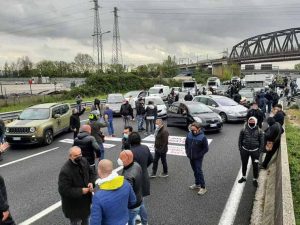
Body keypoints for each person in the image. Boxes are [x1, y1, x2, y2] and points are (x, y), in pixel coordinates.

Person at [90, 159, 136, 225]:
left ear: (99, 171)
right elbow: (133, 201)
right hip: (124, 221)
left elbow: (95, 222)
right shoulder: (125, 183)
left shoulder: (98, 196)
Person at [58, 146, 94, 225]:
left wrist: (91, 182)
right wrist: (81, 191)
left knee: (86, 220)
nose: (79, 157)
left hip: (86, 203)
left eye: (80, 154)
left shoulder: (84, 161)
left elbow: (91, 172)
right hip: (74, 206)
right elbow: (63, 190)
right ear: (70, 156)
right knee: (75, 222)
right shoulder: (65, 171)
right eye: (76, 156)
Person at [129, 132, 153, 225]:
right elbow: (151, 159)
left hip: (134, 179)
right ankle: (142, 220)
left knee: (137, 202)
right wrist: (144, 167)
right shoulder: (145, 147)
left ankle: (142, 220)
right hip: (144, 175)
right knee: (141, 200)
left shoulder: (130, 151)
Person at [118, 150, 143, 225]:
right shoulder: (136, 164)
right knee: (135, 213)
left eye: (121, 158)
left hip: (132, 205)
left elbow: (127, 194)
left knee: (130, 221)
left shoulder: (128, 176)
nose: (119, 159)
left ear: (127, 159)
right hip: (139, 196)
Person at [238, 117, 264, 187]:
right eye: (250, 121)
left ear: (255, 122)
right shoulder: (243, 129)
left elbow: (262, 143)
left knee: (255, 166)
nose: (251, 122)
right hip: (244, 151)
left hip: (255, 152)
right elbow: (240, 140)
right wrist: (241, 149)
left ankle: (255, 179)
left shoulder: (259, 131)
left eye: (253, 121)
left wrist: (259, 152)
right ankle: (243, 177)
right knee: (244, 164)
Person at [185, 122, 209, 195]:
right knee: (195, 170)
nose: (193, 131)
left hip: (198, 158)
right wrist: (187, 152)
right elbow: (186, 144)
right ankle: (197, 184)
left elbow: (206, 149)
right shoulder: (189, 134)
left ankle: (203, 187)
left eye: (194, 130)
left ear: (199, 129)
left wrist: (199, 155)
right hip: (191, 157)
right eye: (192, 130)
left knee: (199, 171)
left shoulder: (202, 137)